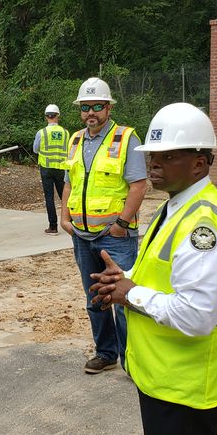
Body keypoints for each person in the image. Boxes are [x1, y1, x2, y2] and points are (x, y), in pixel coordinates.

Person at [90, 103, 217, 435]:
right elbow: (163, 274)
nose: (154, 164)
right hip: (172, 380)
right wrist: (124, 278)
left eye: (168, 156)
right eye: (152, 155)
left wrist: (130, 294)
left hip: (189, 386)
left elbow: (196, 317)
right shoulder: (177, 207)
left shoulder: (203, 228)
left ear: (198, 164)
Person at [61, 77, 147, 374]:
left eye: (97, 106)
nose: (91, 113)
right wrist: (64, 218)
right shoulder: (75, 140)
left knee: (123, 299)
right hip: (82, 236)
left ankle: (132, 360)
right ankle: (106, 353)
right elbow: (69, 183)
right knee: (95, 297)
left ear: (109, 108)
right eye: (85, 107)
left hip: (115, 237)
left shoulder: (126, 139)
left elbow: (138, 185)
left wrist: (121, 224)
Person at [33, 103, 68, 234]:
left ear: (46, 117)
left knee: (49, 198)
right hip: (61, 168)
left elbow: (35, 149)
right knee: (65, 196)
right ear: (58, 116)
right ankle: (72, 222)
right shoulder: (65, 133)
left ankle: (53, 227)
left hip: (46, 168)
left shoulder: (41, 133)